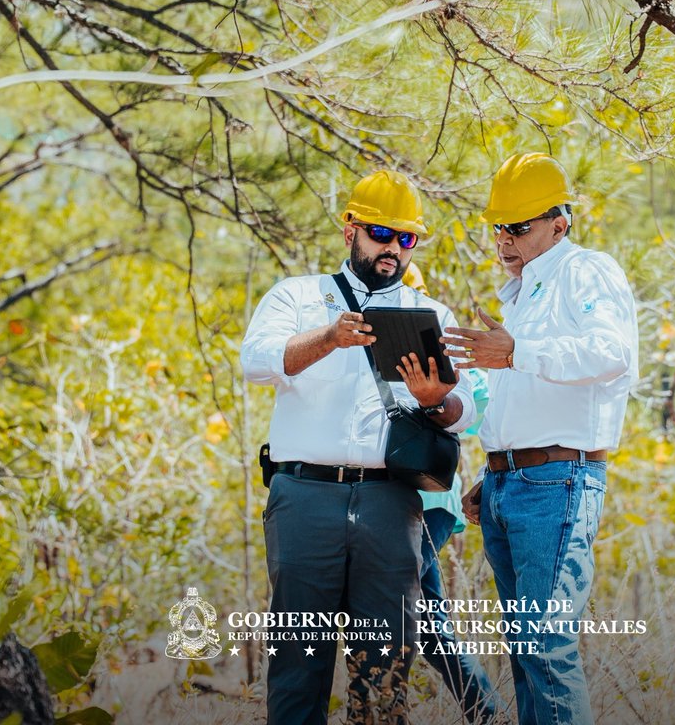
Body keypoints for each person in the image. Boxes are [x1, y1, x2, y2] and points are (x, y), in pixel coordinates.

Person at [240, 170, 477, 725]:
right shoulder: (296, 295)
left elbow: (461, 411)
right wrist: (329, 337)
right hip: (304, 497)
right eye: (380, 232)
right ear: (350, 228)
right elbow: (256, 362)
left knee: (385, 672)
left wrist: (434, 399)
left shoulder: (433, 315)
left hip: (390, 506)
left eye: (406, 238)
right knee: (298, 666)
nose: (393, 248)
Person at [440, 153, 639, 725]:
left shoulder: (585, 271)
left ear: (560, 223)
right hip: (515, 485)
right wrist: (495, 473)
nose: (504, 240)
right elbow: (530, 397)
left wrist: (516, 351)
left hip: (558, 482)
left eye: (519, 228)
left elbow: (613, 354)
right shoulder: (522, 292)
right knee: (528, 654)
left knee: (546, 649)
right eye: (498, 228)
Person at [402, 264, 504, 725]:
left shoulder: (450, 357)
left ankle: (485, 714)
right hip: (393, 501)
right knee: (424, 624)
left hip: (428, 503)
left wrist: (435, 398)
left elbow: (480, 412)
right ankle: (487, 713)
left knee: (407, 614)